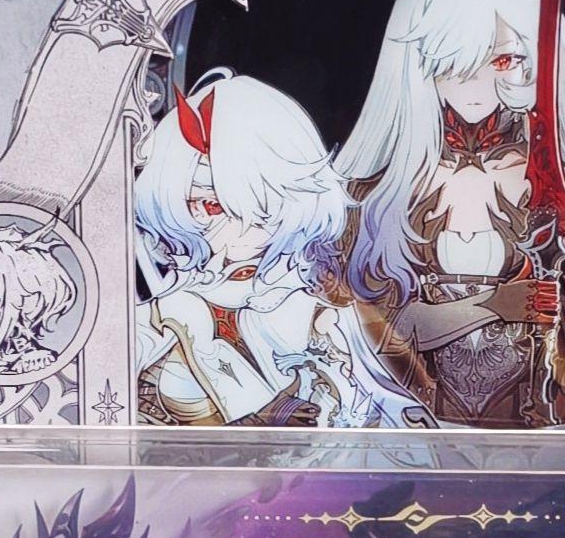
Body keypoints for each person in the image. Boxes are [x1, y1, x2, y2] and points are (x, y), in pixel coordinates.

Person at [329, 0, 565, 426]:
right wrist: (495, 304)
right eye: (453, 62)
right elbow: (374, 331)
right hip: (414, 435)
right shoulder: (380, 197)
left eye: (503, 60)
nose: (475, 84)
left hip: (550, 433)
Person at [130, 73, 426, 428]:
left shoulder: (315, 302)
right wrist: (255, 425)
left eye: (260, 211)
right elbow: (126, 422)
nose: (233, 230)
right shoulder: (164, 315)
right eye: (207, 205)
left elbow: (383, 404)